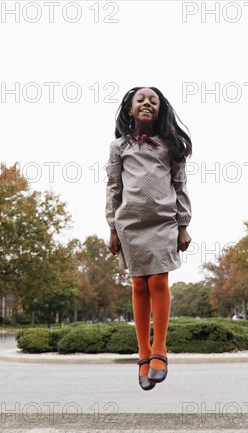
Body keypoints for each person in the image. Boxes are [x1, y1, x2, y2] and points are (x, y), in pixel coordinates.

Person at [105, 86, 193, 391]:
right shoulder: (119, 147)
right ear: (130, 109)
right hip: (130, 224)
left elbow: (180, 186)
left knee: (158, 281)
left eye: (152, 100)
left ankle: (160, 349)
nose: (146, 103)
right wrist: (112, 227)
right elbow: (114, 188)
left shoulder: (171, 147)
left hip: (163, 222)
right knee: (138, 283)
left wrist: (183, 224)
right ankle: (143, 351)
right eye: (139, 100)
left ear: (160, 110)